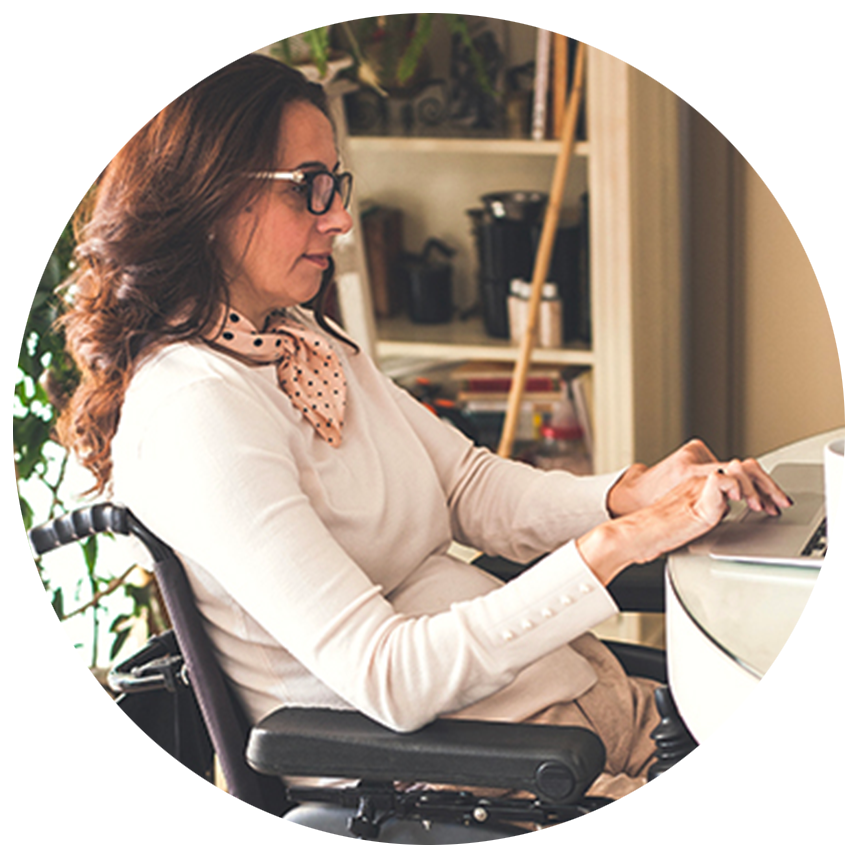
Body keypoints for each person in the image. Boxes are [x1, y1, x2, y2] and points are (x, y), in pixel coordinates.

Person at [57, 53, 791, 798]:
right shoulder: (197, 412)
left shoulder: (297, 340)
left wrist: (632, 494)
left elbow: (470, 486)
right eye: (308, 188)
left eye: (335, 184)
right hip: (492, 787)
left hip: (585, 725)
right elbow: (388, 676)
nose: (339, 216)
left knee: (819, 757)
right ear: (209, 197)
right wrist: (615, 547)